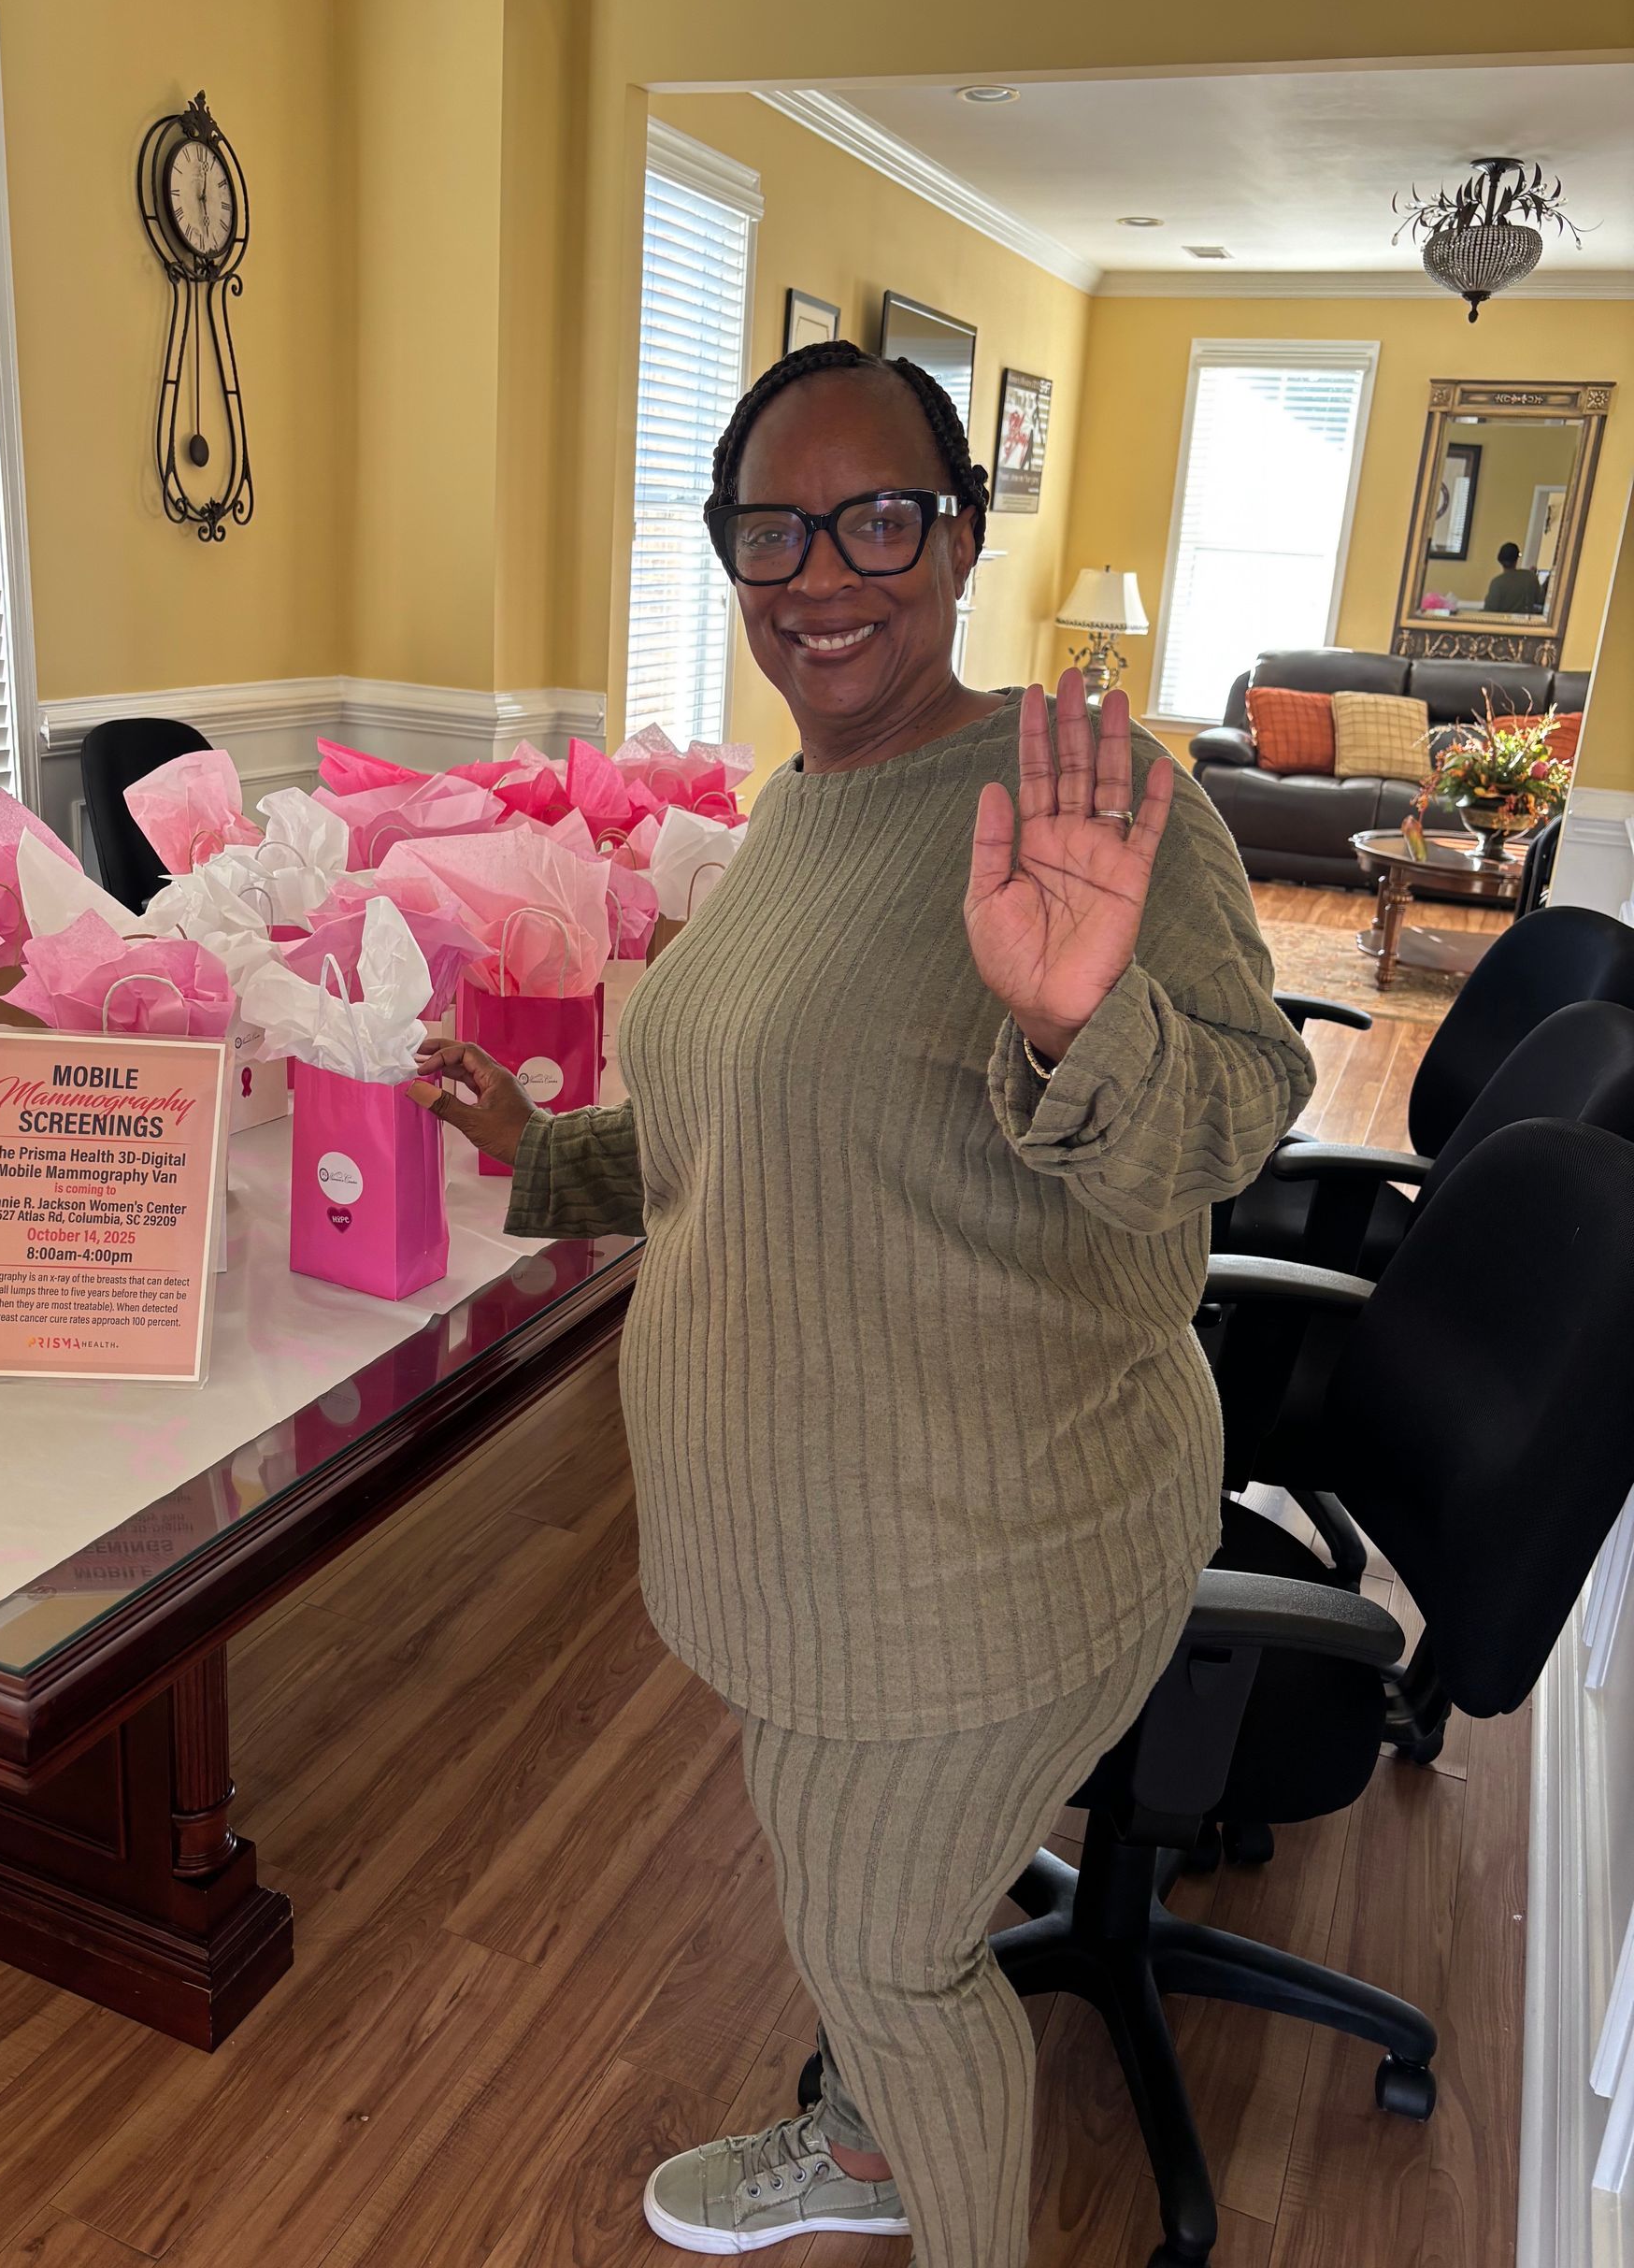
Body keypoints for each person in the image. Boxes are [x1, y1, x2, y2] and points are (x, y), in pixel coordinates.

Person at [415, 338, 1314, 2268]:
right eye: (772, 525)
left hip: (986, 1550)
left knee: (883, 1957)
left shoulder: (1095, 797)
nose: (820, 570)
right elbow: (744, 1127)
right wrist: (547, 1145)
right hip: (807, 1543)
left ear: (964, 535)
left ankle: (911, 2149)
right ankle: (874, 2142)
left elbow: (1233, 1123)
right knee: (864, 1905)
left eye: (878, 516)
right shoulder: (803, 797)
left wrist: (1085, 1018)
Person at [1484, 541, 1547, 614]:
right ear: (1517, 559)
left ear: (1500, 560)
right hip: (1525, 623)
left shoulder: (1497, 583)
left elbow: (1488, 611)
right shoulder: (1530, 577)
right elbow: (1540, 598)